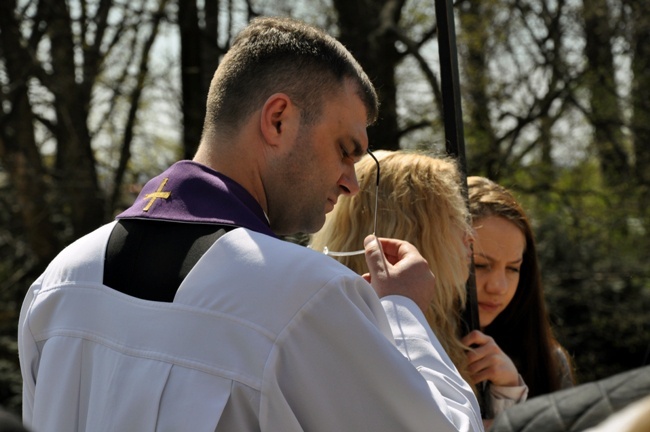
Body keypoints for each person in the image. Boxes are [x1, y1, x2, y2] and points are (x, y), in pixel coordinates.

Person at [18, 17, 483, 432]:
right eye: (346, 149)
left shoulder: (58, 282)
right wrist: (403, 314)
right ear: (278, 120)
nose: (352, 184)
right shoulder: (307, 297)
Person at [310, 150, 528, 425]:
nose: (469, 239)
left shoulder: (453, 327)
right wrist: (505, 404)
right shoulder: (355, 338)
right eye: (454, 219)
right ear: (415, 234)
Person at [466, 176, 575, 402]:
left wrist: (511, 388)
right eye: (479, 265)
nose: (498, 287)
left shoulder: (548, 361)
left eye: (513, 269)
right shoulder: (413, 349)